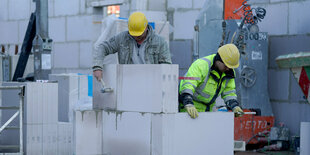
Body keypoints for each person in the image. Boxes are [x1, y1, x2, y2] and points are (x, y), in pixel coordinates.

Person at [92, 12, 172, 81]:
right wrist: (97, 67)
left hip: (150, 82)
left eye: (139, 34)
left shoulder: (160, 42)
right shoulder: (122, 38)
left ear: (146, 28)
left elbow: (166, 66)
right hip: (128, 81)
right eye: (133, 34)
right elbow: (102, 47)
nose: (136, 36)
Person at [179, 44, 244, 119]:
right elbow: (188, 85)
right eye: (226, 66)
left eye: (230, 67)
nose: (228, 69)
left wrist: (234, 106)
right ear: (219, 59)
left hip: (208, 111)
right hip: (190, 109)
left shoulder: (228, 73)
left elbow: (229, 92)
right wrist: (188, 103)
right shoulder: (201, 65)